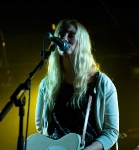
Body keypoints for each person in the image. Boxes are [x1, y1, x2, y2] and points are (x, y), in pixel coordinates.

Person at [35, 19, 119, 150]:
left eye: (71, 35)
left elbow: (111, 131)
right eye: (61, 35)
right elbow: (41, 124)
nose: (64, 39)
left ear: (82, 41)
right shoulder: (47, 84)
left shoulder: (102, 84)